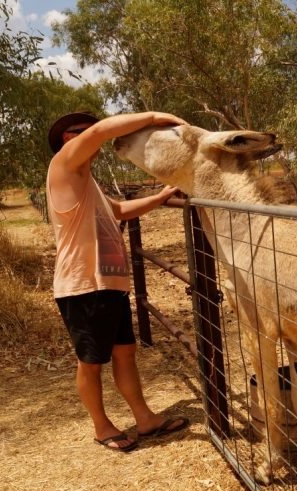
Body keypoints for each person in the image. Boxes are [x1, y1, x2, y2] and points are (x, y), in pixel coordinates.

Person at [46, 111, 190, 452]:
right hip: (84, 285)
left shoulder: (87, 182)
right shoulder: (63, 165)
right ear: (67, 140)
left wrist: (162, 196)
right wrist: (155, 117)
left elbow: (120, 211)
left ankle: (145, 419)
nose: (87, 135)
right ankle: (101, 427)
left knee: (125, 353)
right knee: (91, 362)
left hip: (108, 284)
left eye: (84, 130)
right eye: (77, 132)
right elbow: (99, 131)